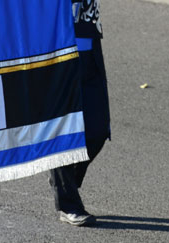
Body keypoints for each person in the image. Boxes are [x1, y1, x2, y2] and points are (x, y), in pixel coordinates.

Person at [49, 0, 110, 226]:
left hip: (89, 46)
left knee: (98, 130)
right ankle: (68, 203)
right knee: (64, 134)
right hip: (56, 53)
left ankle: (65, 183)